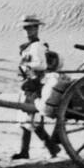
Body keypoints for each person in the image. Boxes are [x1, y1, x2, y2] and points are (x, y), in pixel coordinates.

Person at [13, 15, 59, 159]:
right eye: (26, 28)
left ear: (37, 29)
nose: (28, 31)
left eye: (31, 28)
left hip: (36, 85)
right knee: (25, 119)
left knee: (30, 119)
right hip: (28, 84)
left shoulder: (37, 46)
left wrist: (26, 66)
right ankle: (27, 151)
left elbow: (42, 65)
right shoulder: (28, 47)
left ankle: (51, 146)